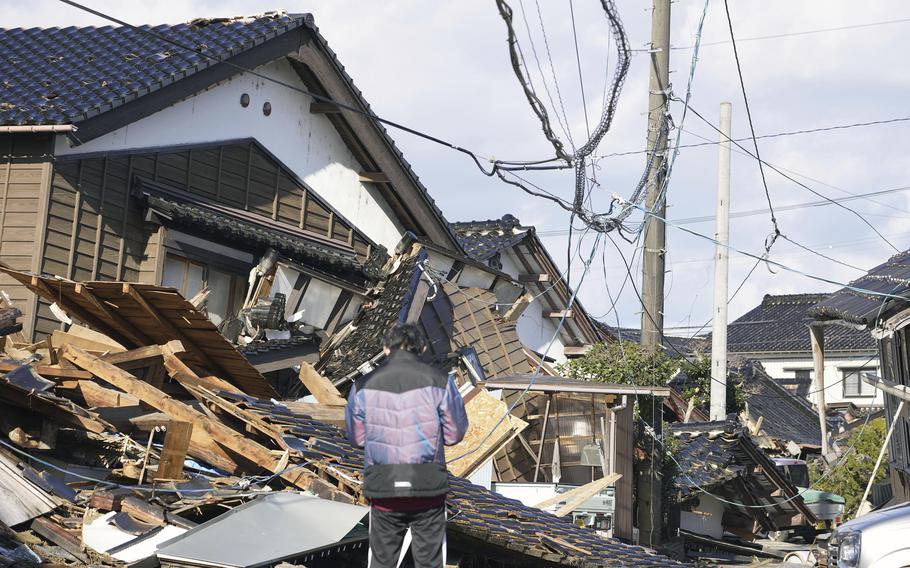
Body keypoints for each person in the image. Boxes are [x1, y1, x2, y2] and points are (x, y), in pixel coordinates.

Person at [346, 323, 469, 568]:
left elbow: (357, 438)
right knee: (429, 561)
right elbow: (454, 434)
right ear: (421, 347)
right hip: (427, 487)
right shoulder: (441, 381)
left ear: (385, 348)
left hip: (384, 486)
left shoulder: (361, 385)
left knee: (381, 560)